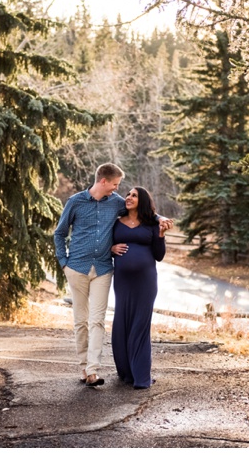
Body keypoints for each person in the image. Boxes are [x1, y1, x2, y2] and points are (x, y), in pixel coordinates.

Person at [53, 163, 171, 388]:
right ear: (104, 181)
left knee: (97, 320)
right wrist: (63, 263)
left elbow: (145, 210)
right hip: (77, 267)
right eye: (115, 185)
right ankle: (84, 366)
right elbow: (59, 233)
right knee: (81, 321)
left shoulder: (116, 203)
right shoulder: (75, 202)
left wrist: (160, 218)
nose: (118, 190)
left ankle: (93, 371)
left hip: (103, 269)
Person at [110, 187, 166, 389]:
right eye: (128, 194)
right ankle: (126, 373)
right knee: (122, 323)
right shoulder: (116, 222)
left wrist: (160, 235)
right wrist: (111, 248)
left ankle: (141, 377)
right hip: (123, 282)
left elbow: (159, 256)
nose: (128, 197)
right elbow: (104, 245)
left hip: (146, 282)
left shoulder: (152, 224)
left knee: (140, 326)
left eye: (134, 195)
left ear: (141, 200)